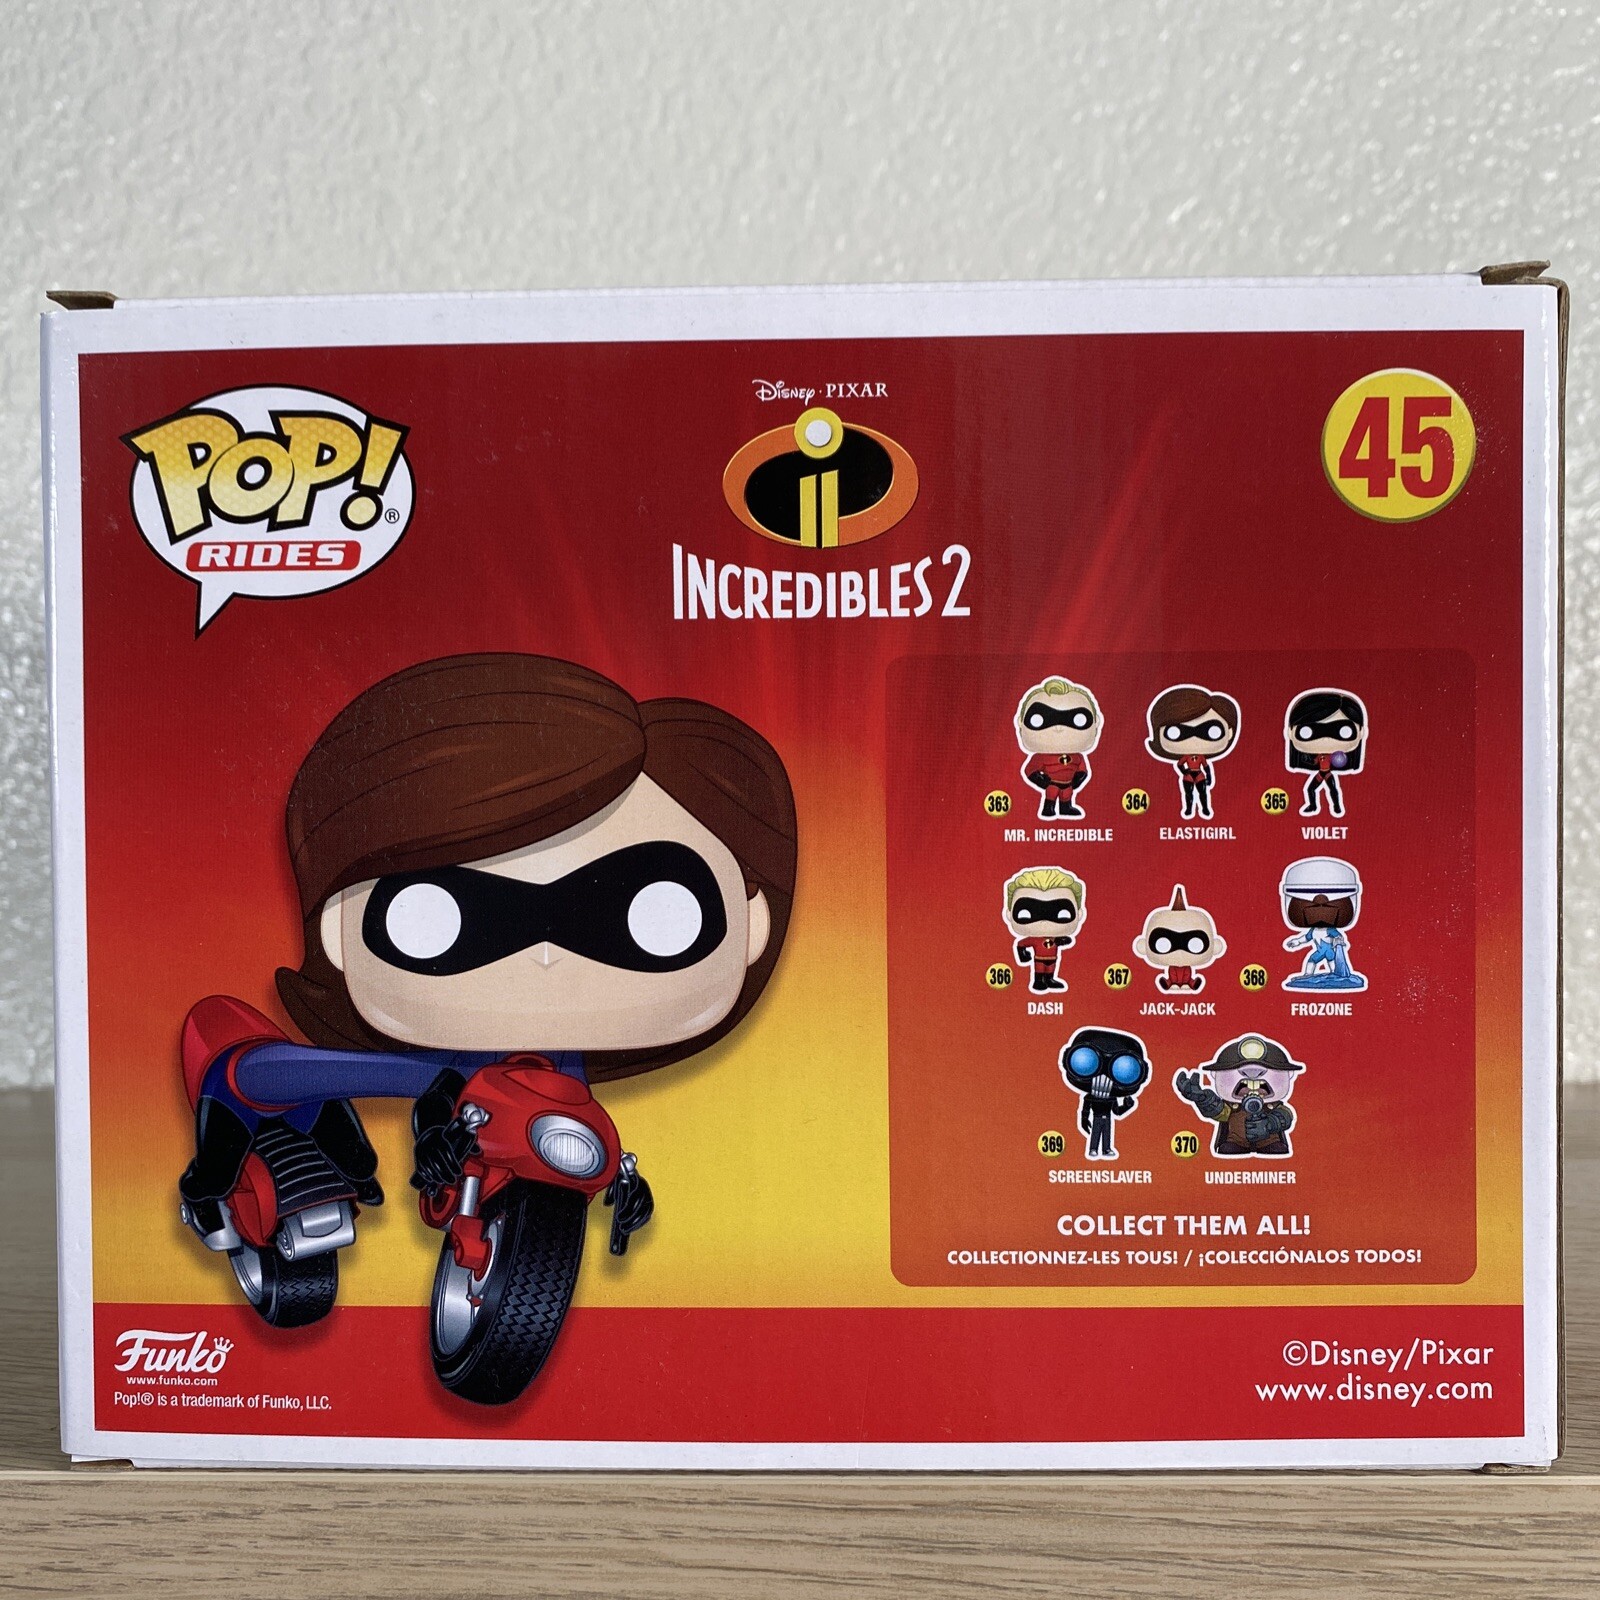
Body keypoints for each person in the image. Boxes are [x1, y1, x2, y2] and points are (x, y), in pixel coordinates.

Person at [179, 653, 798, 1258]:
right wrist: (427, 1130)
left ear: (753, 925)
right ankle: (203, 1196)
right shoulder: (446, 1062)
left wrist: (621, 1181)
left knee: (358, 1150)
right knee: (320, 1141)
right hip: (255, 1081)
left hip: (423, 1119)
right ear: (340, 929)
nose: (547, 955)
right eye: (437, 917)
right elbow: (424, 1091)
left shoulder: (555, 1060)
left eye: (650, 914)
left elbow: (555, 1109)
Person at [1173, 1034, 1305, 1158]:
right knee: (1229, 1149)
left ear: (1290, 1075)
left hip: (1270, 1144)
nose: (1253, 1077)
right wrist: (1202, 1099)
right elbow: (1219, 1112)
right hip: (1235, 1144)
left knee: (1275, 1148)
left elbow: (1286, 1116)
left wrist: (1270, 1124)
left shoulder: (1274, 1106)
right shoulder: (1230, 1107)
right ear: (1214, 1074)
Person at [1144, 684, 1240, 819]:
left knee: (1203, 794)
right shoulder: (1187, 758)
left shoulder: (1201, 758)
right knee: (1188, 794)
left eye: (1211, 731)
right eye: (1176, 732)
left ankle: (1205, 808)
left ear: (1229, 733)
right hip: (1189, 776)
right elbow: (1180, 764)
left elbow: (1206, 767)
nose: (1194, 739)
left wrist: (1209, 777)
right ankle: (1189, 809)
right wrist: (1184, 772)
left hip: (1199, 775)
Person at [1016, 677, 1102, 819]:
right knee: (1051, 796)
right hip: (1052, 784)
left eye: (1078, 719)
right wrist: (1040, 780)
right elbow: (1030, 770)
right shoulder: (1041, 757)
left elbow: (1082, 769)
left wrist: (1079, 777)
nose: (1058, 728)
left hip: (1068, 784)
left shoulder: (1077, 757)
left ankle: (1065, 808)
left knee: (1066, 797)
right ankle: (1048, 808)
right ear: (1021, 722)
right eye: (1040, 719)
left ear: (1096, 721)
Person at [1059, 1027, 1151, 1160]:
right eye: (1086, 1061)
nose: (1103, 1077)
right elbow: (1087, 1108)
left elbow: (1117, 1112)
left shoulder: (1109, 1098)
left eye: (1125, 1070)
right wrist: (1084, 1119)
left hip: (1106, 1117)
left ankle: (1106, 1149)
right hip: (1097, 1117)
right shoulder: (1091, 1097)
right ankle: (1094, 1149)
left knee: (1106, 1133)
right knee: (1096, 1133)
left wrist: (1128, 1105)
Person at [1285, 688, 1368, 817]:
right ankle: (1313, 805)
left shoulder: (1334, 757)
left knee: (1332, 790)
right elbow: (1315, 762)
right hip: (1321, 773)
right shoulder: (1320, 756)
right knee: (1311, 789)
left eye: (1343, 731)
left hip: (1327, 773)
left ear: (1361, 732)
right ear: (1290, 732)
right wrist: (1308, 760)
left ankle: (1336, 807)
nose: (1325, 739)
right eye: (1307, 732)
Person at [1003, 866, 1086, 993]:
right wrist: (1022, 954)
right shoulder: (1034, 940)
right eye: (1026, 914)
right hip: (1039, 959)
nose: (1044, 921)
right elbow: (1021, 944)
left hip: (1052, 959)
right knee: (1040, 970)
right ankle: (1038, 981)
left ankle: (1050, 979)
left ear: (1079, 914)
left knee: (1050, 969)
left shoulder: (1055, 939)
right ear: (1009, 914)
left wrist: (1064, 940)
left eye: (1062, 913)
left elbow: (1063, 941)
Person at [1131, 884, 1225, 993]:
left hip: (1187, 978)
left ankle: (1189, 983)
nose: (1179, 949)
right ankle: (1171, 983)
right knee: (1174, 976)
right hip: (1172, 979)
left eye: (1195, 944)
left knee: (1186, 977)